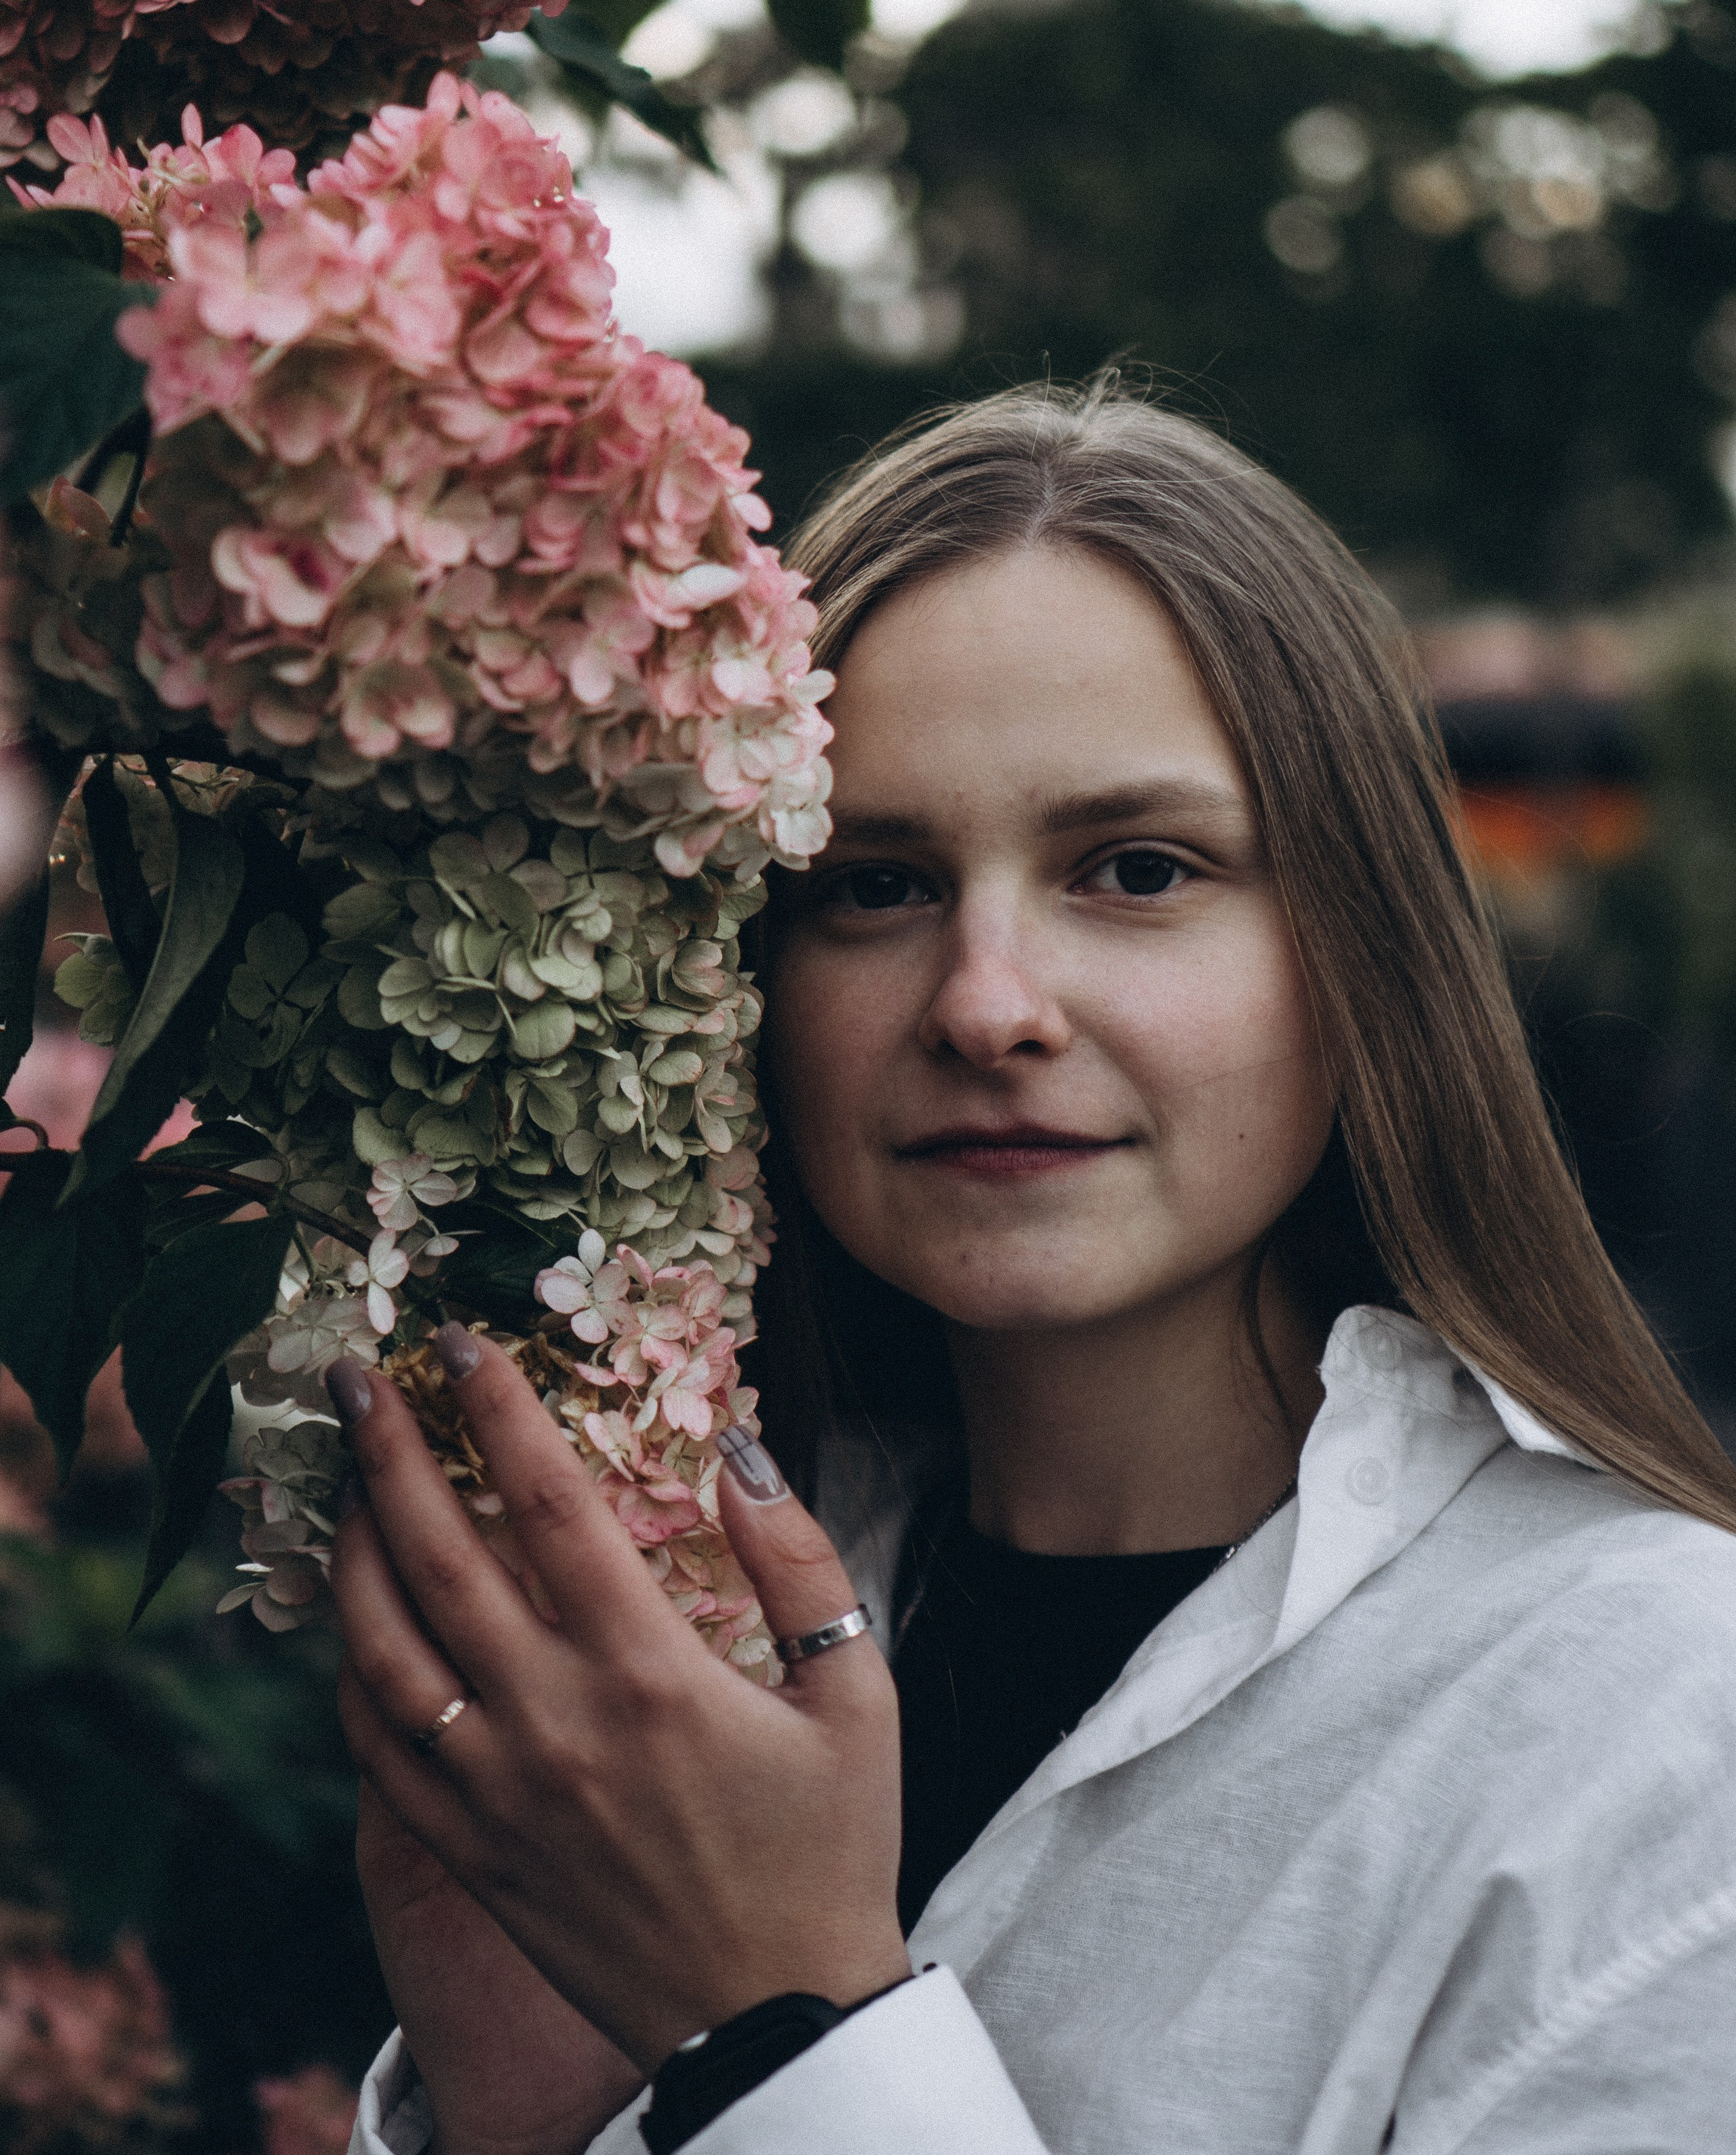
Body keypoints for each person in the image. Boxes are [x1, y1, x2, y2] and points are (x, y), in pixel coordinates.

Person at [334, 382, 1736, 2155]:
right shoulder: (659, 1670)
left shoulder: (1660, 1721)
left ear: (1363, 950)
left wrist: (784, 2031)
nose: (988, 1003)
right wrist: (542, 2118)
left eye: (1135, 871)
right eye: (873, 884)